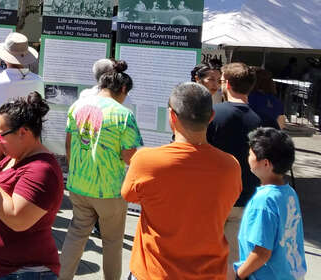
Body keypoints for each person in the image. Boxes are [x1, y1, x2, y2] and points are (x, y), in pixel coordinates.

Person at [121, 83, 241, 280]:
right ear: (211, 116)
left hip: (154, 272)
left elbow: (129, 195)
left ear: (172, 116)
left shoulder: (145, 161)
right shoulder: (231, 166)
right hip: (209, 274)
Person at [0, 93, 64, 279]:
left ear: (23, 132)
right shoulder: (17, 152)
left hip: (21, 273)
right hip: (2, 269)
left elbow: (17, 219)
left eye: (1, 134)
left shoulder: (42, 171)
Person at [59, 61, 143, 280]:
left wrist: (76, 169)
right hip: (110, 189)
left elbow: (68, 144)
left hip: (79, 185)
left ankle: (62, 277)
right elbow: (129, 156)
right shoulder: (124, 115)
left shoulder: (77, 106)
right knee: (113, 242)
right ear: (123, 89)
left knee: (76, 235)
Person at [207, 62, 263, 262]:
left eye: (221, 80)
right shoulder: (260, 120)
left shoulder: (214, 114)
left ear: (227, 84)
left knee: (206, 257)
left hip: (214, 198)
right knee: (233, 260)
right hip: (246, 196)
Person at [234, 128, 307, 280]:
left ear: (266, 163)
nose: (248, 157)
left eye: (251, 154)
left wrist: (238, 275)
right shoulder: (289, 193)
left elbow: (261, 253)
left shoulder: (264, 201)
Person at [0, 32, 42, 129]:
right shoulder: (38, 81)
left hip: (1, 136)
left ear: (4, 57)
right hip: (26, 136)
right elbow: (40, 109)